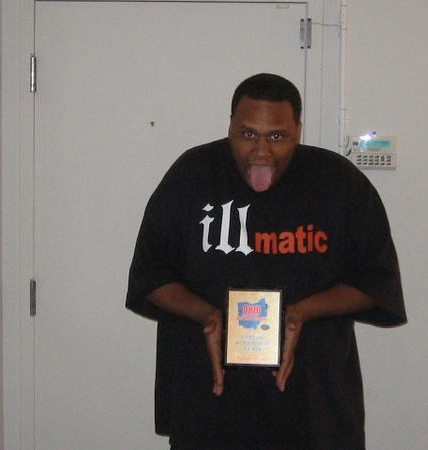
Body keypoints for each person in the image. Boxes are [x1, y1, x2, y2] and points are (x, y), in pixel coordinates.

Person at [126, 73, 406, 450]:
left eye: (276, 136)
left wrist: (301, 313)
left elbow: (376, 280)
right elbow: (150, 274)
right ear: (230, 127)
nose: (261, 151)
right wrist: (207, 316)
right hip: (208, 401)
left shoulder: (339, 183)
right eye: (248, 134)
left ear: (297, 131)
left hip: (313, 406)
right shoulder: (192, 175)